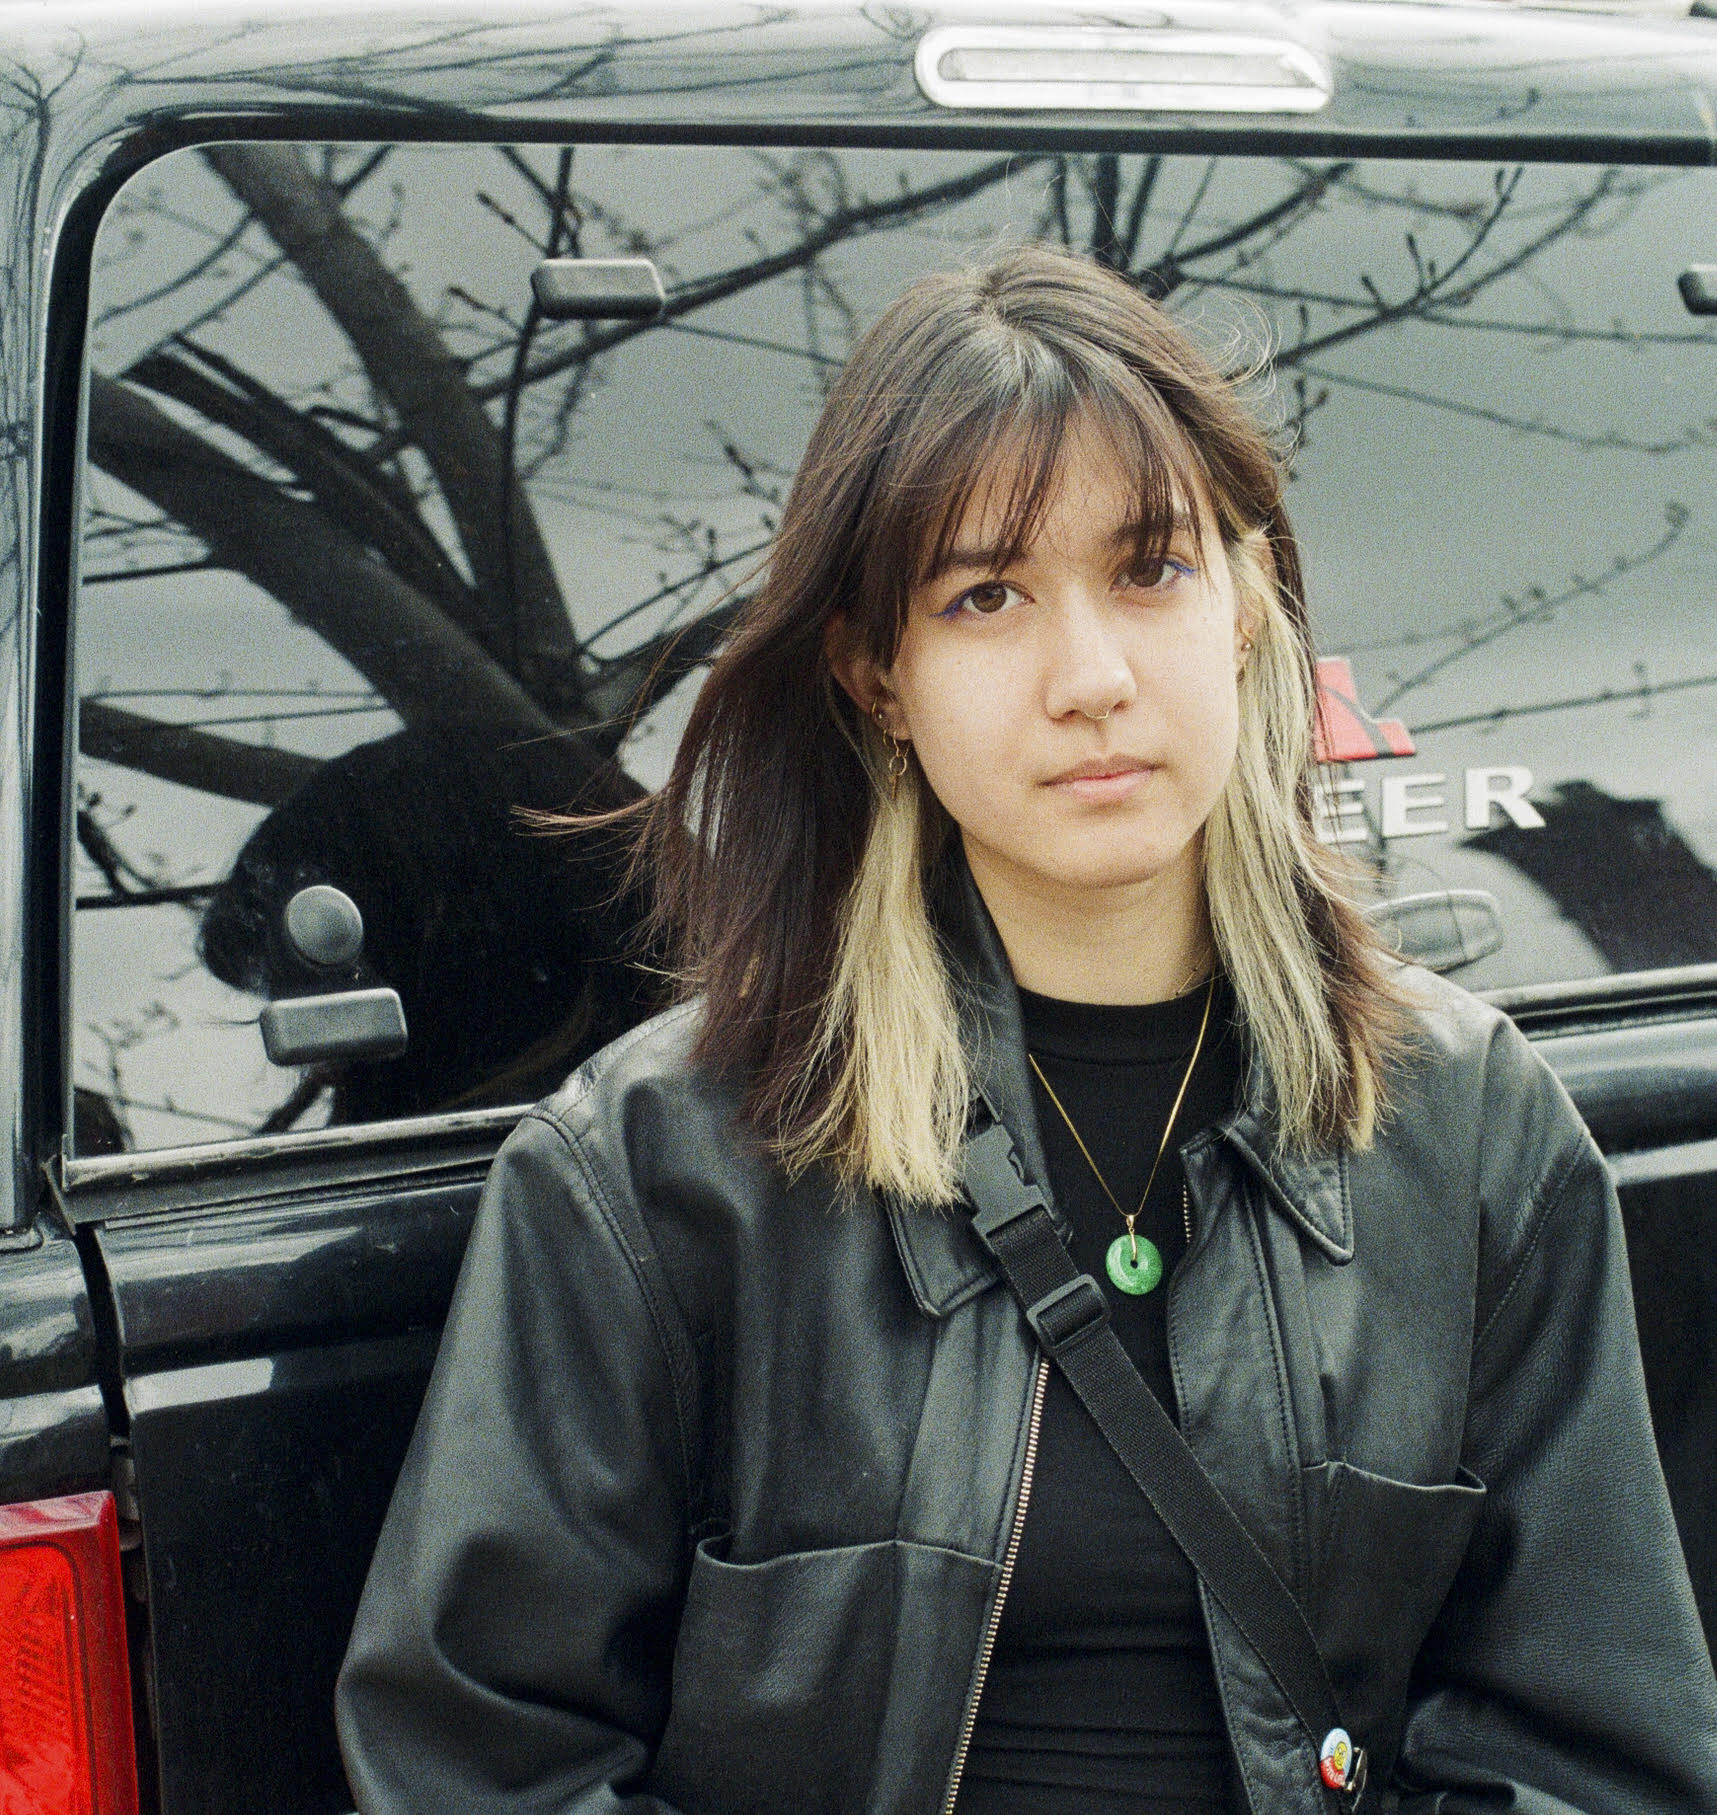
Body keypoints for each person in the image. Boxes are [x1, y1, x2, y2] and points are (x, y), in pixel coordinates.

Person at [334, 244, 1717, 1815]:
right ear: (875, 674)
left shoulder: (1468, 1130)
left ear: (1250, 599)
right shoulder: (656, 1175)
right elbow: (475, 1767)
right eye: (986, 595)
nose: (1091, 678)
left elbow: (1594, 1754)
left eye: (1149, 570)